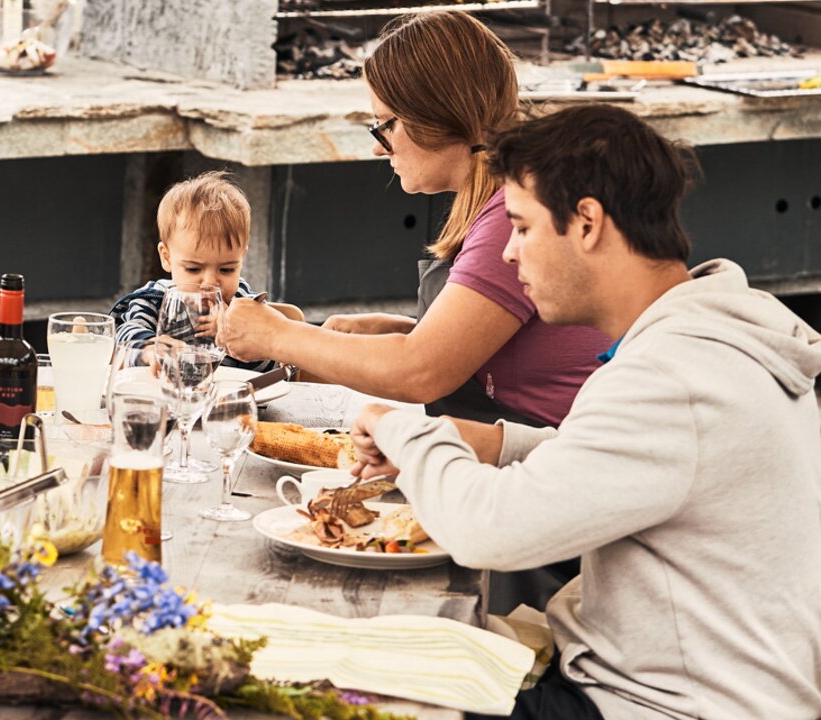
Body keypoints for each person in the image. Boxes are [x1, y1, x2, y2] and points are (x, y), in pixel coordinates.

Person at [349, 104, 821, 720]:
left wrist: (401, 428)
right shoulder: (705, 339)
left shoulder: (673, 377)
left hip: (656, 705)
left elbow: (489, 530)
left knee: (348, 690)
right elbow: (643, 464)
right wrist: (490, 443)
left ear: (588, 223)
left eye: (521, 227)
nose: (510, 255)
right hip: (643, 682)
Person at [220, 11, 610, 430]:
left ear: (435, 115)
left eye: (384, 124)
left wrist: (279, 336)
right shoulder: (504, 191)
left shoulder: (513, 213)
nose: (378, 147)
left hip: (549, 461)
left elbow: (421, 372)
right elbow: (504, 349)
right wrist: (410, 331)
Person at [110, 171, 300, 369]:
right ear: (166, 257)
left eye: (226, 269)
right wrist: (150, 350)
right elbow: (123, 340)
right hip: (164, 397)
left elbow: (270, 369)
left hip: (229, 399)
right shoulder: (154, 301)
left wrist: (237, 338)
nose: (210, 282)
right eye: (193, 269)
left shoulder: (245, 307)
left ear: (241, 259)